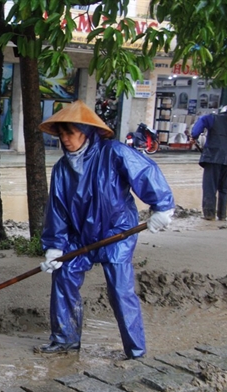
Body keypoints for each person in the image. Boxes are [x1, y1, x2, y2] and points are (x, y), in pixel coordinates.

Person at [36, 100, 175, 360]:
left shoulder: (113, 153)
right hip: (80, 237)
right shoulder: (61, 170)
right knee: (64, 276)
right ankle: (65, 339)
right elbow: (57, 210)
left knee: (120, 290)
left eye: (71, 132)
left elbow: (145, 172)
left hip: (116, 232)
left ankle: (135, 349)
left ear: (86, 132)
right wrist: (54, 247)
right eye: (62, 133)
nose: (65, 139)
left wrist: (162, 207)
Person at [189, 105, 227, 221]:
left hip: (213, 157)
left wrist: (194, 136)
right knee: (223, 189)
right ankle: (222, 216)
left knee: (209, 187)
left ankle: (209, 215)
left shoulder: (213, 118)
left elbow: (201, 122)